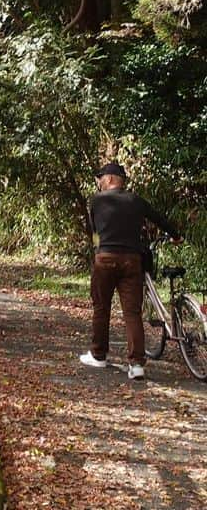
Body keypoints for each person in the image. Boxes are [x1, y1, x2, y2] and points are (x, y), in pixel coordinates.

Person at [80, 161, 181, 380]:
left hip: (104, 258)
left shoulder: (96, 201)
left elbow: (94, 231)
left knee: (101, 308)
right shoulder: (135, 200)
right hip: (131, 261)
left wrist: (98, 246)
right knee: (132, 313)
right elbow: (159, 219)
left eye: (100, 178)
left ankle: (98, 356)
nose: (99, 183)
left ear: (109, 179)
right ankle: (136, 365)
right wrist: (176, 235)